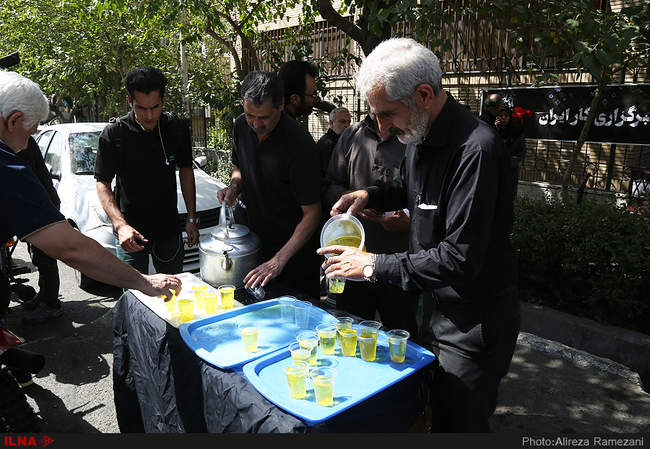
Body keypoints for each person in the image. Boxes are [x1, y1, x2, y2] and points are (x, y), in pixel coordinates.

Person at [317, 38, 520, 432]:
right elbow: (410, 189)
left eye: (387, 114)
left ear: (424, 95)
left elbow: (458, 258)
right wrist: (370, 194)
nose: (382, 126)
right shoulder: (418, 136)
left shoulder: (475, 151)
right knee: (427, 409)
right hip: (433, 307)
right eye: (375, 115)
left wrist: (372, 264)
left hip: (472, 323)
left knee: (459, 423)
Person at [0, 71, 182, 307]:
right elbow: (71, 248)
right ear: (13, 121)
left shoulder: (173, 128)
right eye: (30, 134)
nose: (26, 146)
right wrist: (145, 282)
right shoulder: (6, 167)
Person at [217, 71, 322, 299]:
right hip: (254, 246)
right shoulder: (240, 126)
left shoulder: (300, 144)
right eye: (250, 115)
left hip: (293, 256)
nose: (255, 124)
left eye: (263, 117)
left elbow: (312, 213)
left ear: (281, 105)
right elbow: (239, 166)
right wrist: (234, 186)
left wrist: (278, 261)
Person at [95, 66, 198, 276]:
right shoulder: (114, 133)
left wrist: (191, 218)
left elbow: (186, 170)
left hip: (168, 228)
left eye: (155, 107)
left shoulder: (176, 127)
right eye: (141, 108)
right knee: (133, 291)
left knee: (175, 288)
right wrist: (120, 225)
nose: (149, 115)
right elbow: (102, 182)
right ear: (129, 101)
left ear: (163, 101)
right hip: (130, 229)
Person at [323, 113, 419, 336]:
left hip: (399, 263)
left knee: (401, 336)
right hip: (352, 261)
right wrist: (354, 197)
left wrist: (410, 223)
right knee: (351, 334)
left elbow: (425, 200)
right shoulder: (351, 135)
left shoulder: (412, 137)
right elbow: (329, 186)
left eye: (388, 112)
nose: (382, 121)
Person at [16, 136, 63, 324]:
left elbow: (24, 177)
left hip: (41, 206)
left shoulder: (19, 140)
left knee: (45, 258)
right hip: (36, 205)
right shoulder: (18, 137)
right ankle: (44, 296)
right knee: (38, 256)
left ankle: (51, 304)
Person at [480, 92, 527, 197]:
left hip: (510, 171)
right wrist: (495, 130)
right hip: (495, 172)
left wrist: (508, 162)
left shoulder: (517, 131)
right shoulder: (493, 129)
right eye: (501, 116)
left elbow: (521, 152)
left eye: (506, 116)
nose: (504, 118)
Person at [315, 107, 351, 178]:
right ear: (331, 123)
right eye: (342, 121)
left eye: (349, 122)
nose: (347, 125)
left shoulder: (339, 141)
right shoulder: (327, 144)